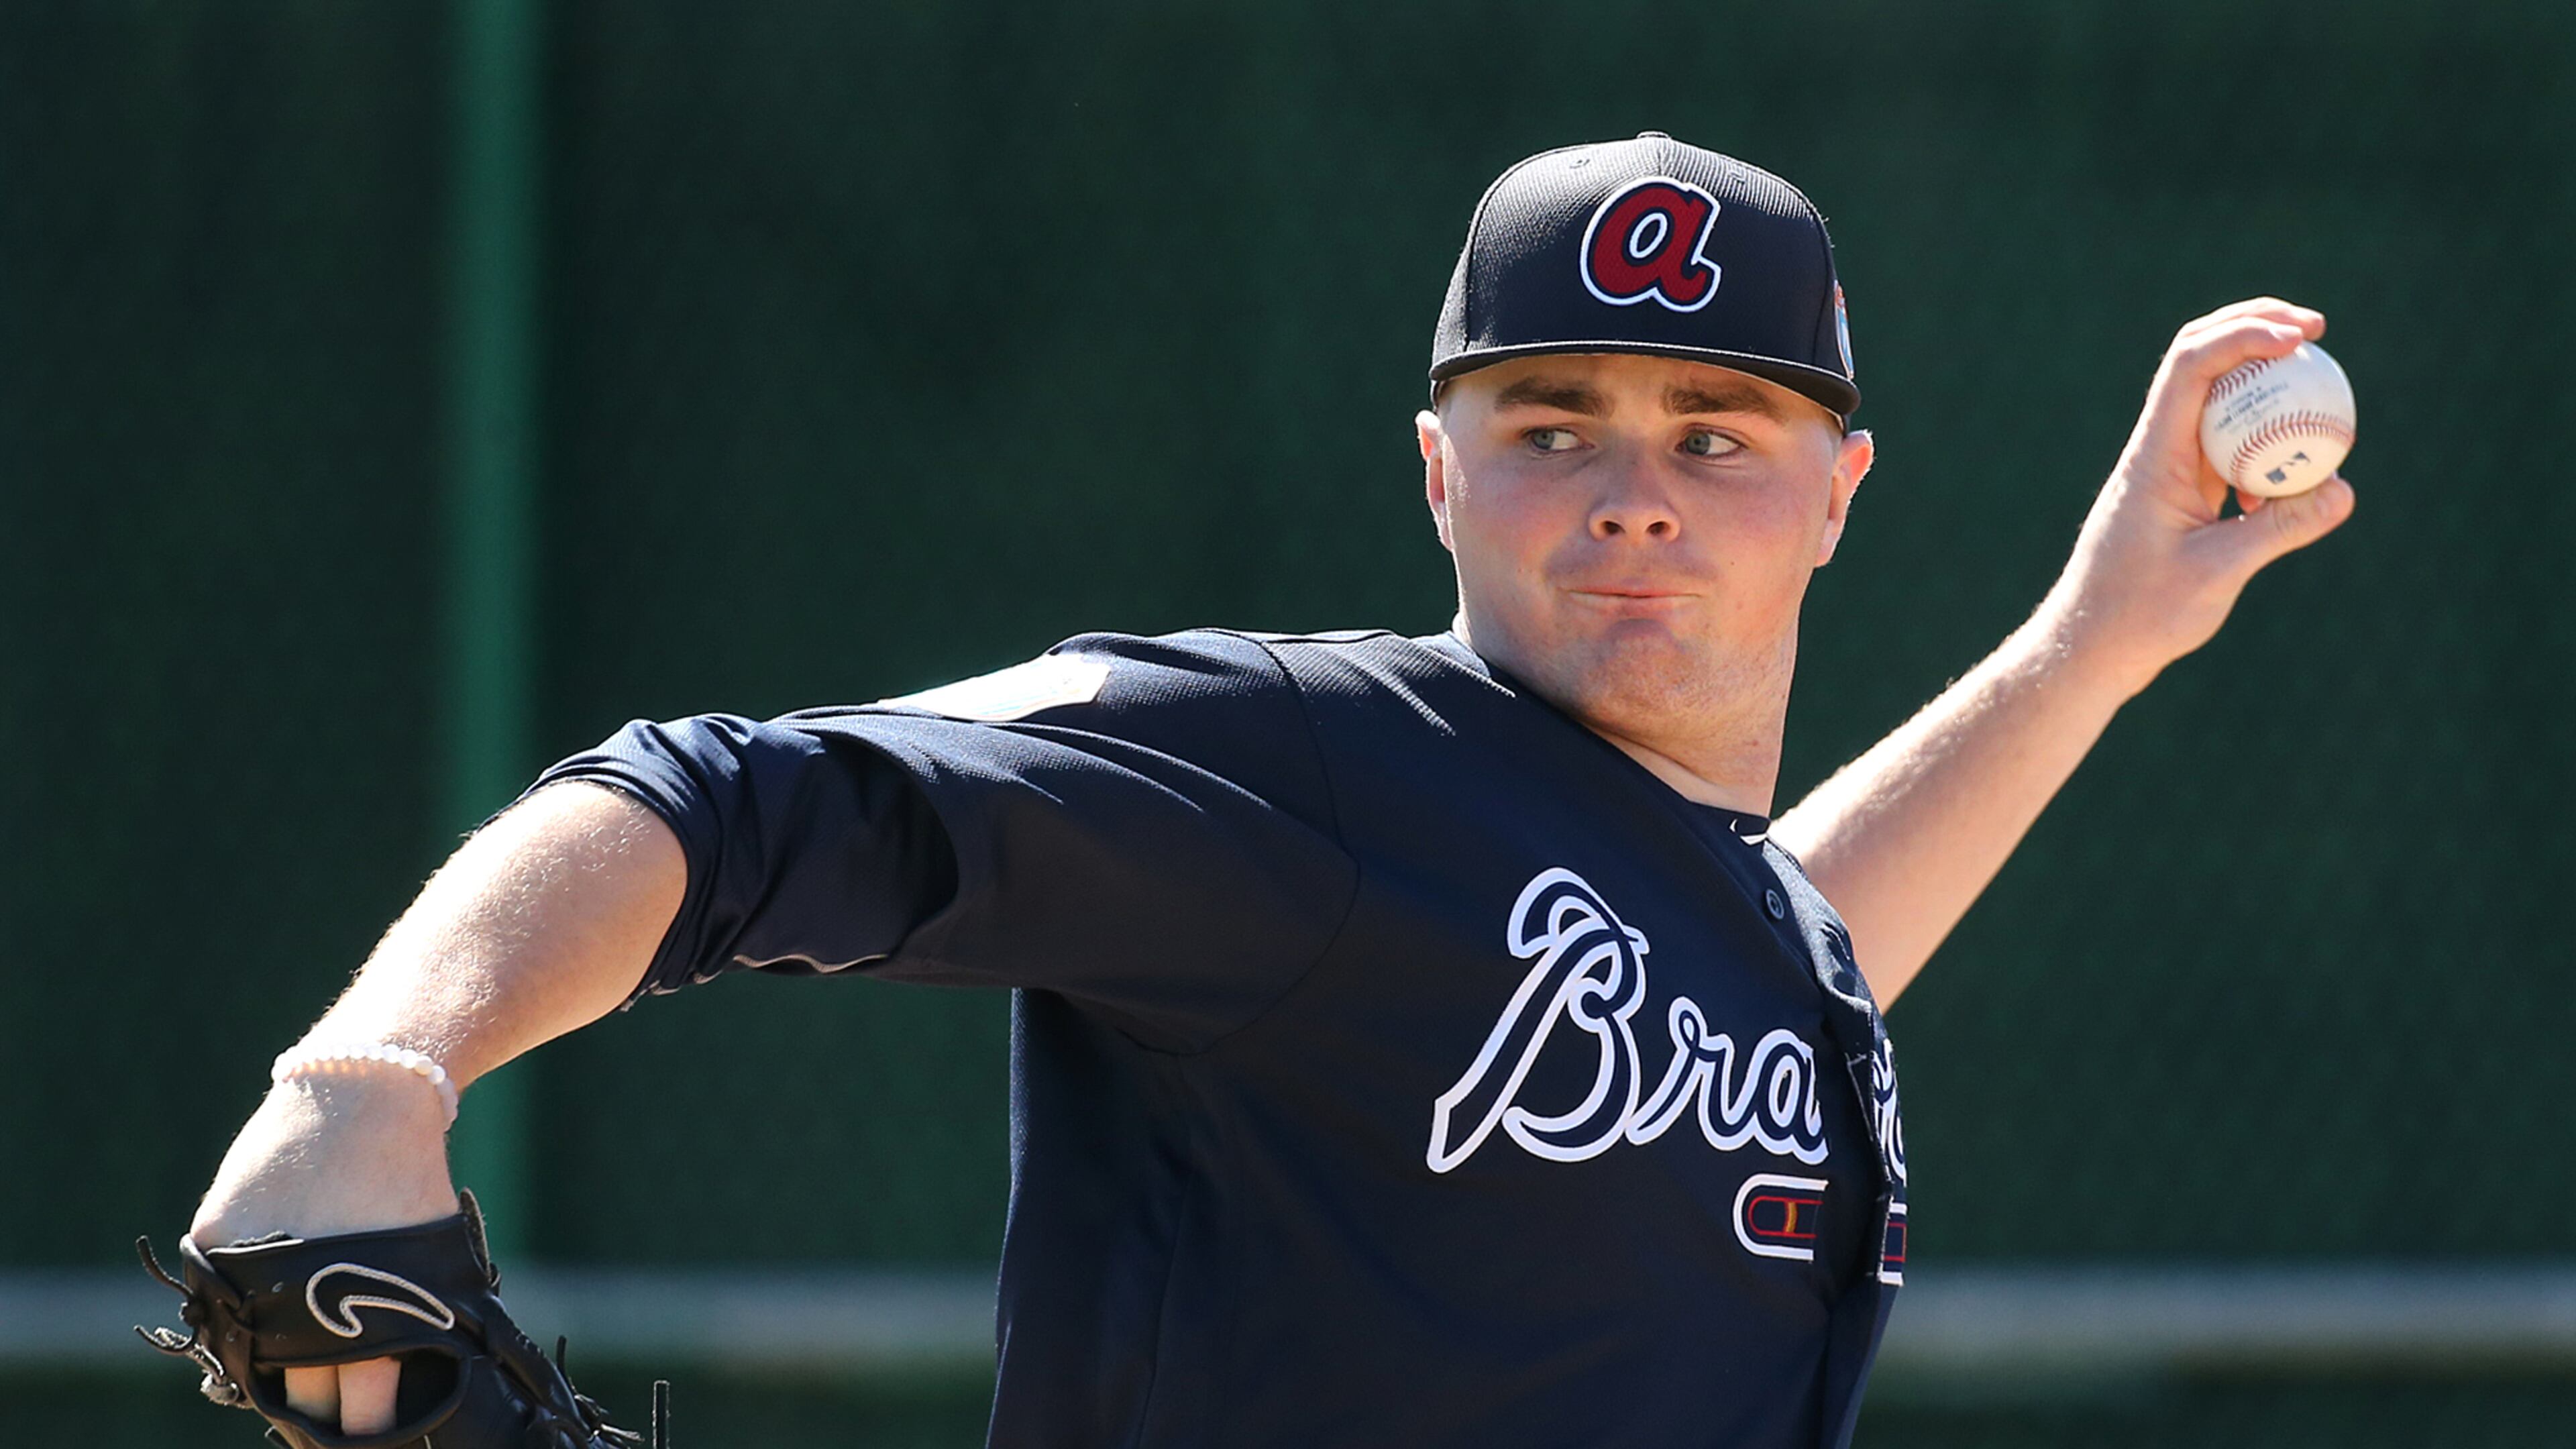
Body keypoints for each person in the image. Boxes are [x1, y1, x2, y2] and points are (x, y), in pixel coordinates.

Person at [185, 133, 2354, 1448]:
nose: (1630, 495)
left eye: (1715, 433)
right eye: (1551, 424)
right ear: (1439, 471)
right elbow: (729, 795)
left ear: (1836, 497)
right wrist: (375, 1067)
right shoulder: (1309, 774)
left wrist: (2098, 641)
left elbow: (1771, 940)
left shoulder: (1688, 918)